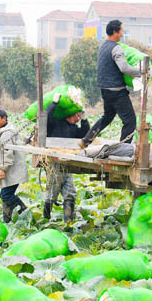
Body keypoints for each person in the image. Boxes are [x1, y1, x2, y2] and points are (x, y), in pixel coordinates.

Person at [78, 19, 141, 149]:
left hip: (105, 90)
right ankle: (123, 149)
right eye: (121, 31)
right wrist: (141, 71)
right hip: (117, 91)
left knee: (107, 117)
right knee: (130, 121)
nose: (122, 34)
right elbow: (124, 67)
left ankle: (86, 140)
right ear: (115, 32)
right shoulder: (116, 48)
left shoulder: (103, 46)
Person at [45, 92, 90, 221]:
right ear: (70, 114)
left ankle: (68, 221)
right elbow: (46, 117)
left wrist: (85, 120)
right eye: (78, 114)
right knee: (52, 193)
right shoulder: (55, 123)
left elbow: (85, 134)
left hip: (68, 164)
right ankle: (45, 219)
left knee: (70, 193)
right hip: (54, 163)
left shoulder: (74, 128)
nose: (78, 117)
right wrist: (54, 103)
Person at [0, 109, 28, 223]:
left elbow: (7, 152)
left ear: (4, 118)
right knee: (6, 194)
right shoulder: (4, 130)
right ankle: (7, 219)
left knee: (5, 195)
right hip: (12, 169)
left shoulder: (7, 132)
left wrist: (3, 169)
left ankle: (24, 211)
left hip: (12, 170)